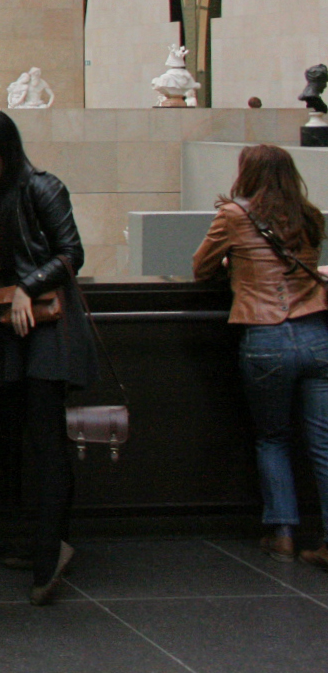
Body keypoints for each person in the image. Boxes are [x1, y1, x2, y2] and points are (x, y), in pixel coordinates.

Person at [0, 109, 95, 605]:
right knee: (14, 437)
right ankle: (42, 539)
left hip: (46, 325)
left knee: (44, 437)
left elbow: (71, 252)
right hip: (9, 327)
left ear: (8, 148)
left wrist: (27, 288)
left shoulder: (42, 187)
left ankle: (49, 552)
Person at [192, 144, 328, 569]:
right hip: (316, 334)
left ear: (247, 174)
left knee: (273, 438)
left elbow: (200, 267)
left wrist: (235, 264)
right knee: (323, 442)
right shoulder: (310, 215)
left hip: (266, 337)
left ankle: (282, 533)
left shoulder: (234, 216)